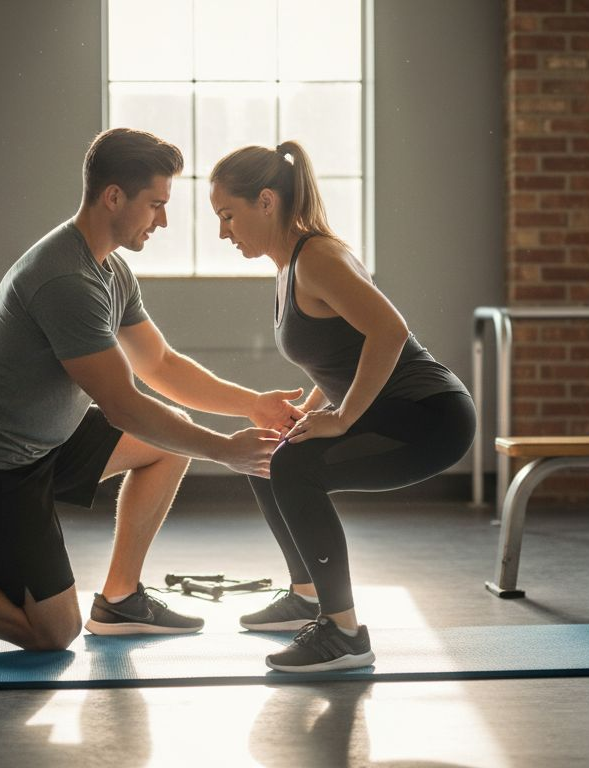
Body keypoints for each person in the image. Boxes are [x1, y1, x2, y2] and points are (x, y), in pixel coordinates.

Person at [0, 128, 304, 652]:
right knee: (52, 633)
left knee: (168, 449)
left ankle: (121, 599)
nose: (162, 220)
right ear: (113, 197)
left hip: (47, 443)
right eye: (155, 204)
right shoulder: (65, 281)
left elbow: (162, 364)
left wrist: (251, 404)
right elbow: (124, 403)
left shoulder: (111, 270)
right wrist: (223, 450)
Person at [208, 140, 476, 672]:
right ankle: (307, 595)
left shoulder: (319, 258)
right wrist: (310, 412)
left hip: (428, 416)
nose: (223, 232)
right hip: (388, 407)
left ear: (266, 201)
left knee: (292, 466)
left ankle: (344, 632)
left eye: (227, 216)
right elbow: (338, 355)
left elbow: (390, 332)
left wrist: (343, 417)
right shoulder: (287, 267)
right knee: (270, 453)